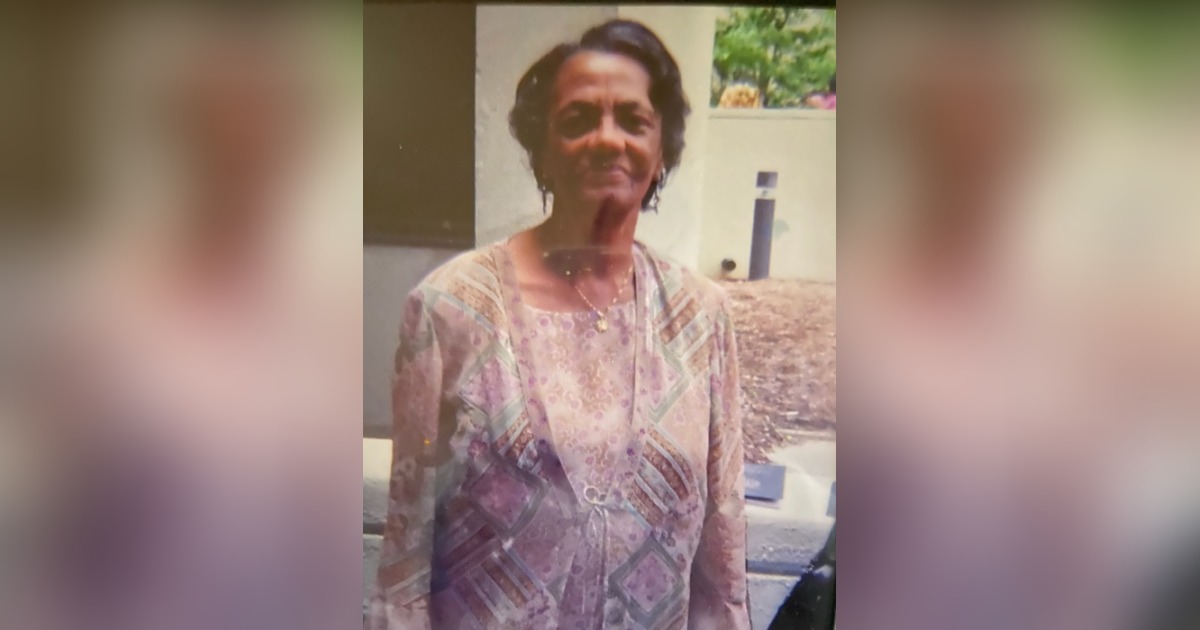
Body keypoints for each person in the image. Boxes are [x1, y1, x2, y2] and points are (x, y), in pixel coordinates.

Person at [366, 19, 750, 630]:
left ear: (662, 150)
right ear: (541, 149)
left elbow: (722, 567)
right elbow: (405, 566)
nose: (607, 139)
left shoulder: (700, 318)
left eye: (634, 120)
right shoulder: (449, 311)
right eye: (578, 120)